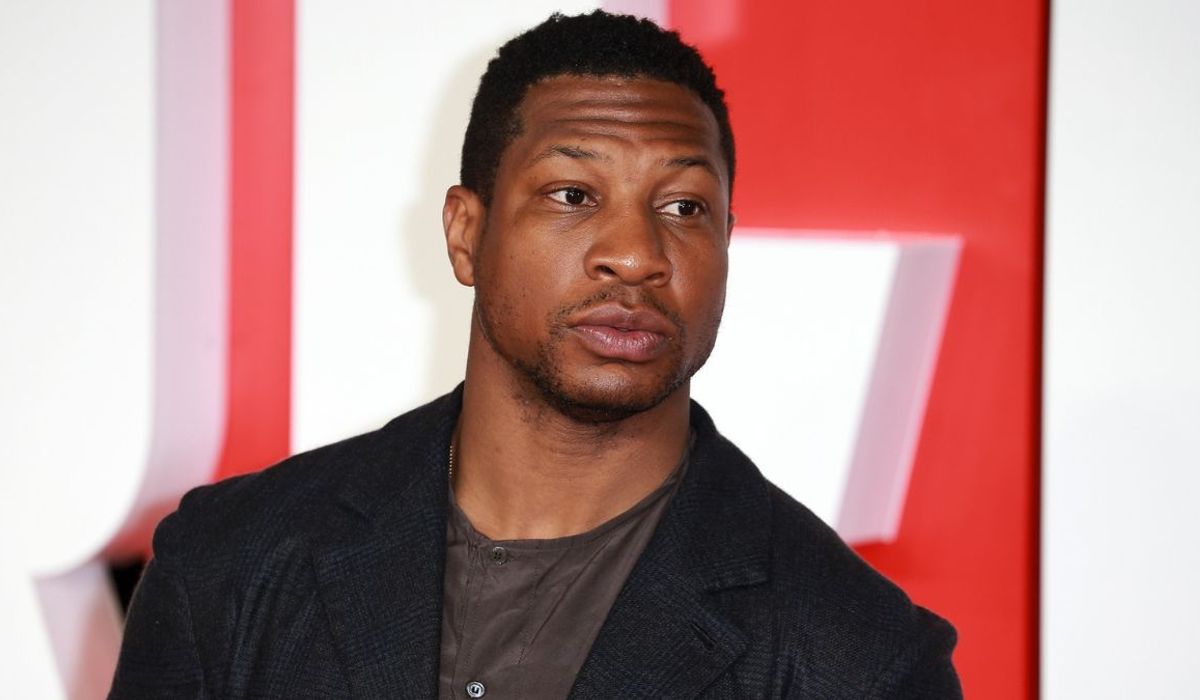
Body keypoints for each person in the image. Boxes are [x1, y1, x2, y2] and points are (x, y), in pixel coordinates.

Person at [109, 10, 960, 699]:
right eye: (572, 194)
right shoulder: (228, 568)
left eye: (684, 207)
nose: (635, 254)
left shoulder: (858, 661)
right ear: (465, 234)